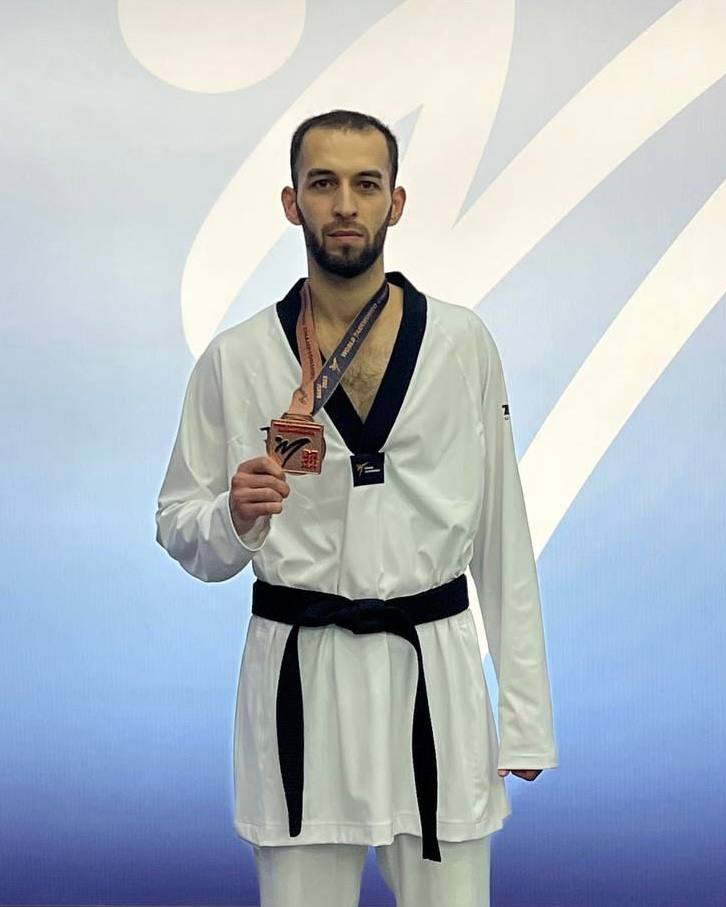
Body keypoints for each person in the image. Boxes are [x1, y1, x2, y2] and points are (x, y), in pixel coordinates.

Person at [155, 109, 558, 907]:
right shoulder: (237, 358)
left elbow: (502, 533)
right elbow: (177, 520)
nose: (345, 204)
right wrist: (233, 519)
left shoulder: (461, 344)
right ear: (291, 202)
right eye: (323, 183)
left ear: (395, 202)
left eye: (366, 184)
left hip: (432, 671)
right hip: (302, 677)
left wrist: (526, 712)